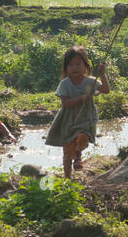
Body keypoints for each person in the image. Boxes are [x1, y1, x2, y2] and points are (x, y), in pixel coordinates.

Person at [45, 46, 109, 179]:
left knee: (82, 135)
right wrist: (81, 98)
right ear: (66, 68)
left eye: (78, 64)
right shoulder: (65, 84)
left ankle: (78, 156)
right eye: (71, 65)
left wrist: (102, 74)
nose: (75, 68)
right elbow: (65, 103)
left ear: (85, 65)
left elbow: (106, 90)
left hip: (85, 117)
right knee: (67, 150)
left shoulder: (90, 82)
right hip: (68, 119)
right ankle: (67, 178)